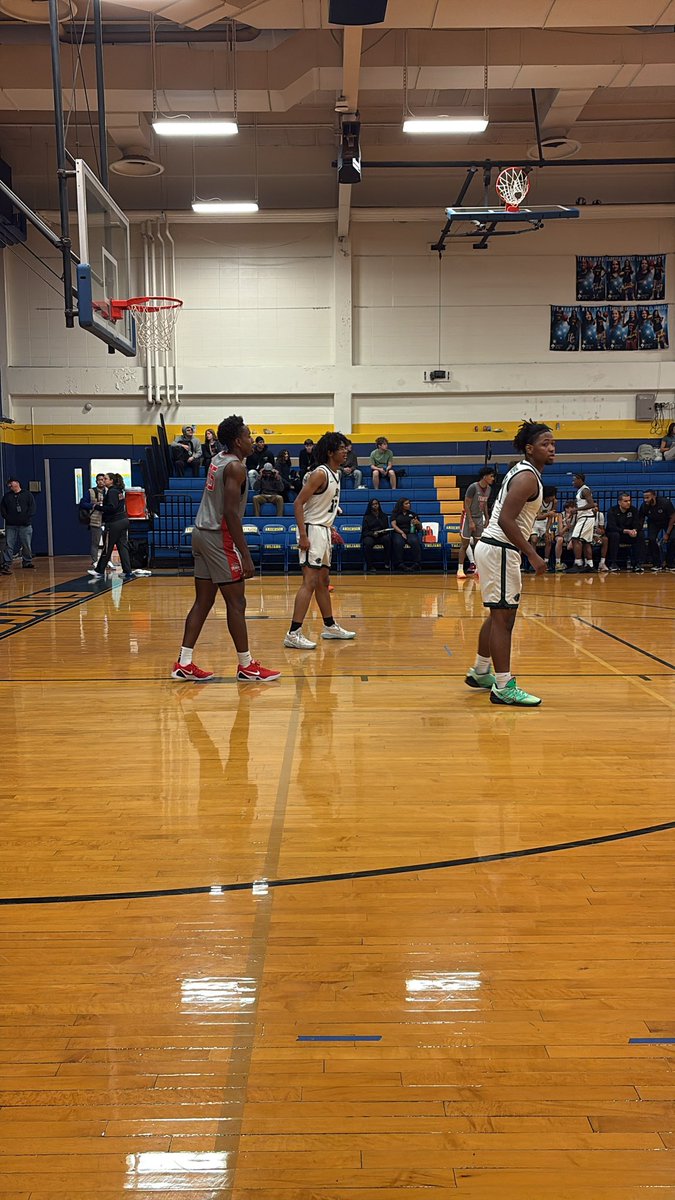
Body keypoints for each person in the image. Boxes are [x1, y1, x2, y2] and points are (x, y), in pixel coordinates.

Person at [172, 415, 280, 683]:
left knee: (204, 601)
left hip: (200, 532)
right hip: (218, 537)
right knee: (237, 602)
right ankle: (246, 665)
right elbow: (231, 514)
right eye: (247, 435)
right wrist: (245, 554)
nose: (251, 439)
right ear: (236, 441)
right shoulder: (235, 468)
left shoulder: (218, 458)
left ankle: (184, 662)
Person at [465, 420, 555, 708]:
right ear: (530, 449)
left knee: (497, 616)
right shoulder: (528, 477)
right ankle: (503, 686)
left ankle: (481, 672)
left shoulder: (521, 471)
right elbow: (505, 519)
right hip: (501, 550)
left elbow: (500, 512)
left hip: (494, 548)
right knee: (504, 620)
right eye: (545, 444)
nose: (552, 448)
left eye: (553, 444)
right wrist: (532, 553)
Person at [284, 432, 355, 650]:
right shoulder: (320, 474)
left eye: (346, 448)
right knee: (310, 581)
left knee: (324, 581)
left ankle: (330, 625)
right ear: (330, 452)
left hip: (322, 530)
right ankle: (293, 633)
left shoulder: (336, 474)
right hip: (311, 530)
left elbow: (321, 505)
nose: (345, 451)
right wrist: (304, 536)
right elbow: (297, 503)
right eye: (341, 448)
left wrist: (329, 527)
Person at [88, 473, 134, 581]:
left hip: (115, 523)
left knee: (107, 547)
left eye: (106, 479)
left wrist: (98, 507)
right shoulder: (119, 491)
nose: (104, 480)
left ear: (111, 481)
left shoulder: (112, 492)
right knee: (122, 547)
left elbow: (111, 507)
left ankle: (99, 570)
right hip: (123, 520)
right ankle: (127, 571)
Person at [457, 466, 495, 579]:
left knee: (479, 546)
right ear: (485, 476)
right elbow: (466, 505)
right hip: (468, 518)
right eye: (491, 476)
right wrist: (471, 521)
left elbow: (485, 504)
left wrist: (487, 517)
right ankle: (460, 569)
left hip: (479, 518)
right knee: (464, 545)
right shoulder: (473, 487)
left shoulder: (489, 489)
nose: (493, 479)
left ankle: (478, 569)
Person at [1, 478, 36, 572]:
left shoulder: (27, 495)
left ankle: (27, 561)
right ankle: (6, 563)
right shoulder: (7, 497)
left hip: (25, 525)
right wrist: (7, 518)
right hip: (11, 525)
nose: (10, 486)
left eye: (11, 484)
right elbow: (3, 509)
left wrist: (26, 518)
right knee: (9, 544)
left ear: (17, 483)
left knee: (26, 544)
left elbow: (32, 508)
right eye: (9, 485)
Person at [605, 493, 646, 573]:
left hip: (628, 534)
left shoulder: (633, 510)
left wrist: (635, 530)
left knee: (640, 535)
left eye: (629, 501)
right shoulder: (612, 510)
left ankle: (638, 564)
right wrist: (626, 531)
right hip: (616, 533)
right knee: (615, 535)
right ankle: (613, 563)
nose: (628, 503)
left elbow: (637, 524)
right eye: (625, 501)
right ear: (619, 502)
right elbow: (611, 526)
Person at [638, 490, 675, 572]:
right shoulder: (644, 506)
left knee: (673, 538)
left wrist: (667, 533)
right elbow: (641, 518)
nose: (645, 500)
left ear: (654, 496)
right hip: (653, 523)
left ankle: (670, 563)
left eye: (647, 497)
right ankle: (657, 563)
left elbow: (673, 517)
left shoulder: (665, 503)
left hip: (667, 521)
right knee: (651, 539)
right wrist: (638, 529)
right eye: (644, 498)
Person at [568, 472, 597, 573]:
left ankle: (578, 564)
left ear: (580, 479)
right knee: (586, 542)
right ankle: (590, 564)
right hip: (586, 518)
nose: (573, 482)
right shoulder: (581, 490)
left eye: (574, 480)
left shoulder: (585, 490)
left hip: (586, 517)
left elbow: (592, 504)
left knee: (575, 539)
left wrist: (576, 509)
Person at [529, 485, 558, 571]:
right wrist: (548, 514)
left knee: (548, 539)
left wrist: (547, 531)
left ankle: (546, 561)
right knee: (534, 540)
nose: (554, 497)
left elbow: (550, 517)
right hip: (535, 522)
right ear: (547, 496)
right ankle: (533, 562)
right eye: (552, 495)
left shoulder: (554, 502)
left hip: (545, 523)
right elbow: (537, 516)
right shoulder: (539, 501)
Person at [81, 472, 107, 567]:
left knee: (107, 543)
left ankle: (107, 561)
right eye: (99, 480)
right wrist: (93, 505)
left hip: (107, 520)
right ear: (96, 481)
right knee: (95, 542)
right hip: (95, 520)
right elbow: (82, 503)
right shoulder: (90, 491)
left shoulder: (108, 491)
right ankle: (95, 561)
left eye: (103, 479)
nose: (101, 482)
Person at [391, 497, 422, 572]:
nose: (409, 505)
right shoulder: (395, 514)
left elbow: (420, 528)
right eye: (406, 503)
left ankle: (416, 563)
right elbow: (393, 525)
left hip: (410, 532)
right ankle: (400, 564)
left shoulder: (413, 514)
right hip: (399, 532)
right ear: (401, 505)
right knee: (398, 543)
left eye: (409, 503)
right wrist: (401, 532)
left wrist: (418, 523)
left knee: (414, 541)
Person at [360, 498, 390, 573]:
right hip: (370, 535)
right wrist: (372, 534)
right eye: (373, 504)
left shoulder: (384, 516)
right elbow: (365, 531)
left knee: (388, 539)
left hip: (381, 535)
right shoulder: (367, 517)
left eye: (376, 504)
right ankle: (370, 565)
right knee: (368, 543)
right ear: (370, 506)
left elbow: (386, 528)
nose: (375, 506)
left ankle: (387, 563)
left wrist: (381, 532)